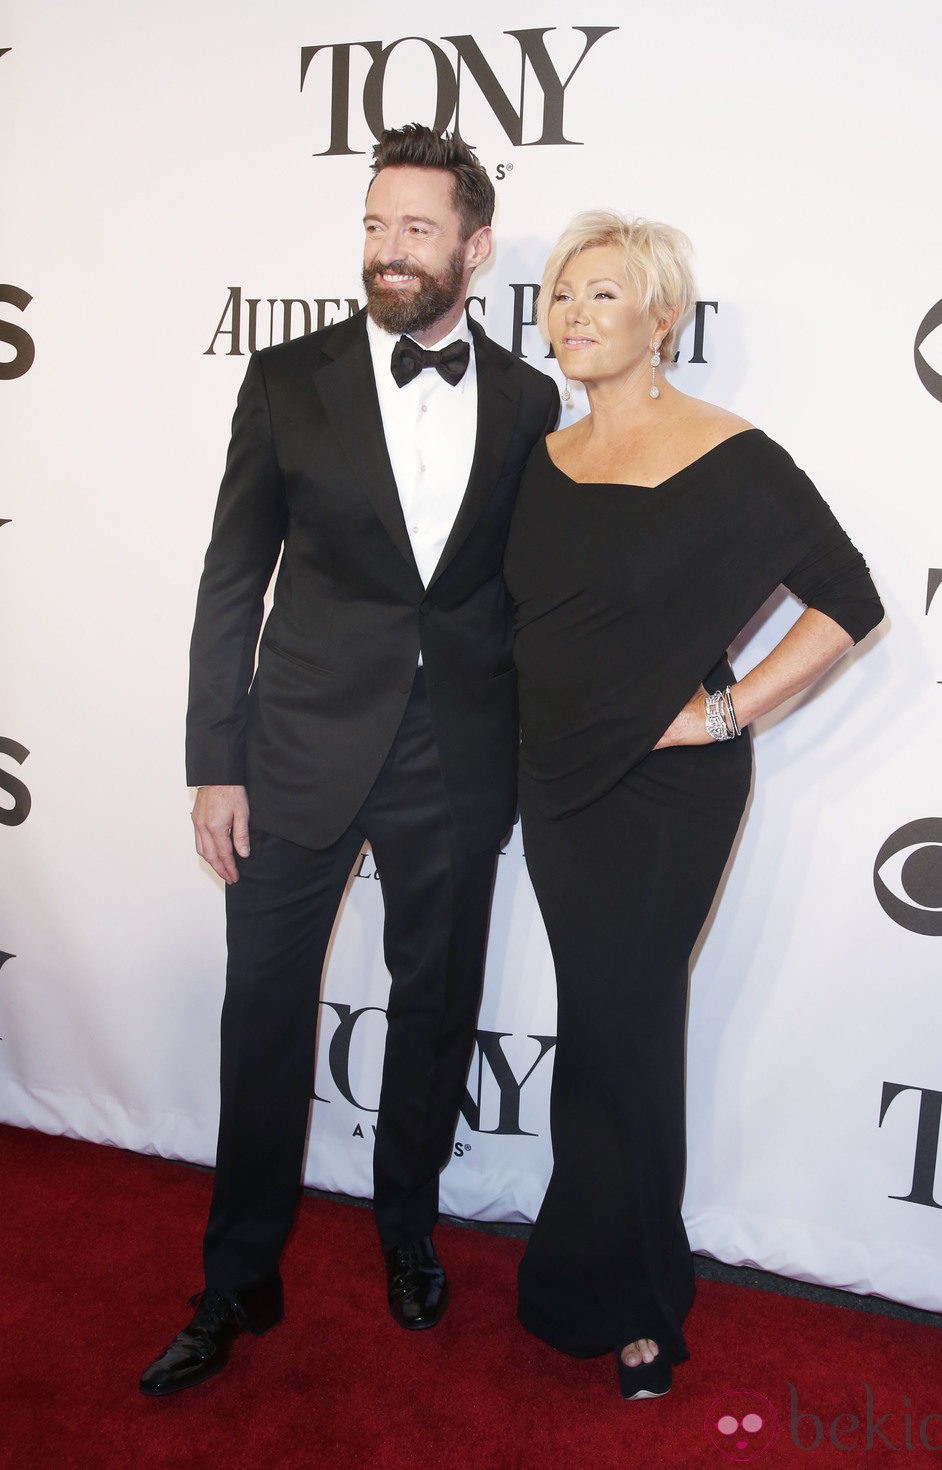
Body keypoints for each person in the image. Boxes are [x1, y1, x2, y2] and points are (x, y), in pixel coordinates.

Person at [139, 125, 560, 1397]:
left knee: (433, 1016)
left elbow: (538, 589)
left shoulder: (532, 400)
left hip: (458, 754)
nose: (388, 251)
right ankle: (234, 1283)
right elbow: (232, 576)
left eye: (416, 229)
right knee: (262, 1016)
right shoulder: (286, 378)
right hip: (296, 746)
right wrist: (218, 760)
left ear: (474, 248)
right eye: (376, 226)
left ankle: (407, 1232)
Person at [503, 210, 884, 1401]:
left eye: (603, 295)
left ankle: (637, 1309)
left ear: (662, 320)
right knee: (602, 1033)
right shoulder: (538, 460)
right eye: (561, 293)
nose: (572, 313)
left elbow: (847, 599)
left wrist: (724, 714)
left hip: (667, 792)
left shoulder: (731, 456)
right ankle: (594, 1278)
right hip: (555, 782)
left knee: (623, 1033)